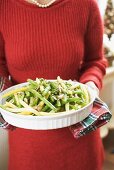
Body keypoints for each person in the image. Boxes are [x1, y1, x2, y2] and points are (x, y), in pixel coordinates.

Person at [0, 0, 108, 170]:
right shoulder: (3, 7)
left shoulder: (86, 4)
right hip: (28, 141)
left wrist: (90, 85)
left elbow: (95, 61)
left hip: (78, 132)